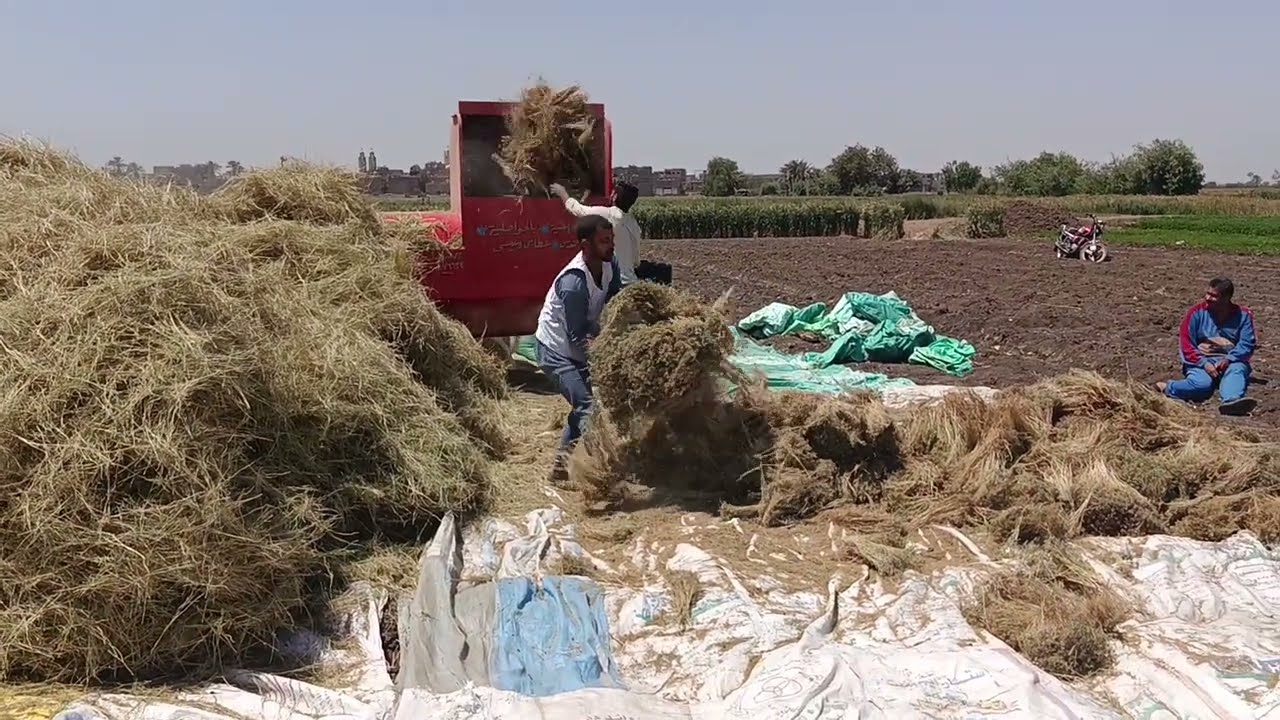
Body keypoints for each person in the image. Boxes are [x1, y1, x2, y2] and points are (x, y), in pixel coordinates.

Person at [534, 214, 623, 481]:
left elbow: (616, 301)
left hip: (580, 342)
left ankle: (559, 469)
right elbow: (576, 334)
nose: (611, 245)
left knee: (583, 406)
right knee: (587, 406)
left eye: (612, 240)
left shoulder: (610, 265)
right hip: (556, 350)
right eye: (604, 241)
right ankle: (603, 467)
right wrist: (601, 361)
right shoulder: (574, 282)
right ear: (586, 245)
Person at [1157, 277, 1257, 416]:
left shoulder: (1243, 315)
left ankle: (1231, 402)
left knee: (1237, 371)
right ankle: (1168, 387)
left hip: (1230, 361)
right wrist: (1203, 363)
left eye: (1214, 295)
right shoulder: (1195, 313)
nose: (1207, 298)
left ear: (1227, 298)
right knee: (1202, 386)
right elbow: (1186, 344)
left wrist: (1229, 359)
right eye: (1208, 293)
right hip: (1200, 361)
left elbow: (1247, 344)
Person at [550, 180, 641, 287]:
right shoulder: (633, 224)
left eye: (612, 192)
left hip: (615, 283)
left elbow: (579, 210)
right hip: (631, 282)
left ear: (615, 197)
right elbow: (636, 261)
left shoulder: (609, 214)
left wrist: (562, 193)